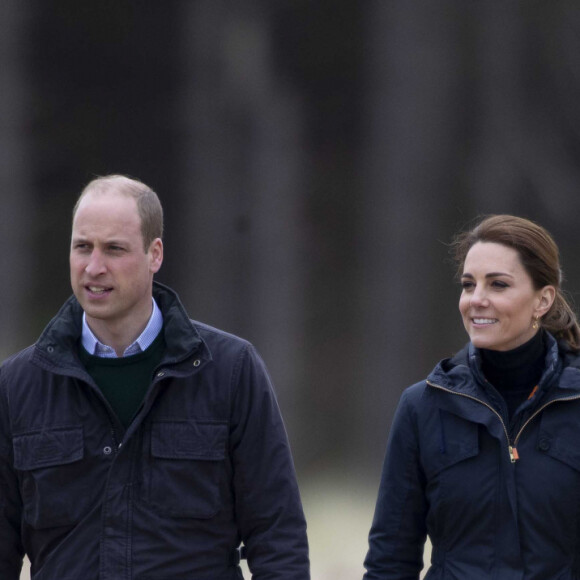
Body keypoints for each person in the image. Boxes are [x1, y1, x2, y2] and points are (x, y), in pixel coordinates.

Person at [0, 175, 310, 579]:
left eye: (114, 249)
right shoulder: (17, 385)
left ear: (154, 254)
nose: (94, 267)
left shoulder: (231, 371)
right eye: (82, 247)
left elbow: (277, 535)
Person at [363, 214, 580, 579]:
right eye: (468, 285)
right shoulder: (423, 406)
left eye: (497, 285)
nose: (476, 299)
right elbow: (390, 559)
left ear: (543, 300)